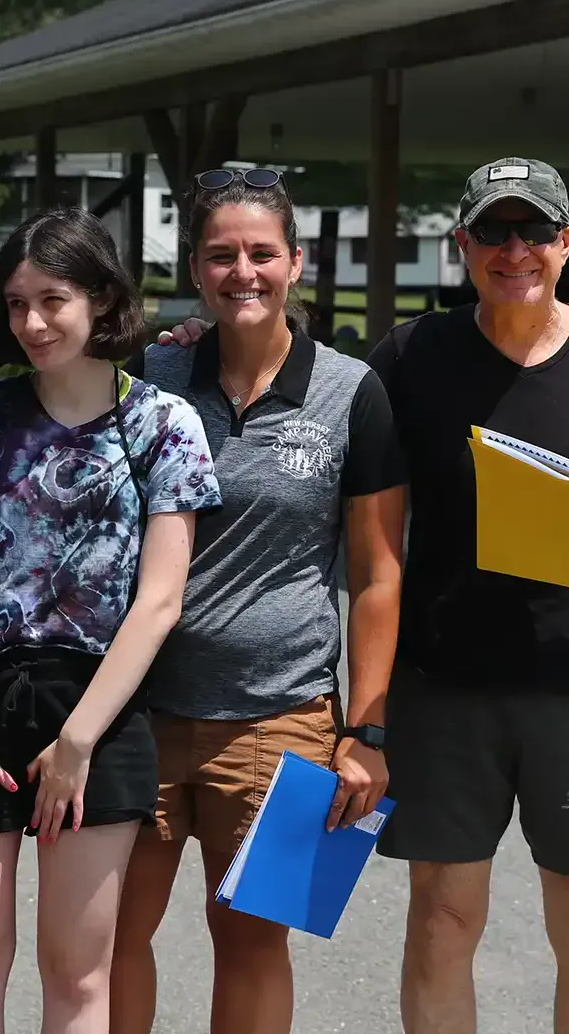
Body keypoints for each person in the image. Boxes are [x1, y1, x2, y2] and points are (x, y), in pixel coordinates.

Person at [146, 157, 569, 1034]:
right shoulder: (413, 357)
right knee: (443, 924)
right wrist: (205, 332)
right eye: (493, 231)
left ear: (568, 243)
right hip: (446, 688)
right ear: (463, 245)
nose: (514, 249)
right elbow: (310, 390)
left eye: (534, 231)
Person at [0, 208, 222, 1034]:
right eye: (16, 304)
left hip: (97, 713)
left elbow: (160, 599)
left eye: (53, 300)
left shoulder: (162, 426)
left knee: (79, 975)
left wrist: (79, 741)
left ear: (101, 299)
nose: (34, 323)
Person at [105, 170, 408, 1034]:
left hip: (285, 721)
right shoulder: (150, 376)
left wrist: (368, 732)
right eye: (222, 254)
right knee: (114, 933)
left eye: (262, 253)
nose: (244, 271)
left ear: (296, 263)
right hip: (137, 713)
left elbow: (379, 574)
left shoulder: (353, 394)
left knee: (251, 942)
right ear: (197, 269)